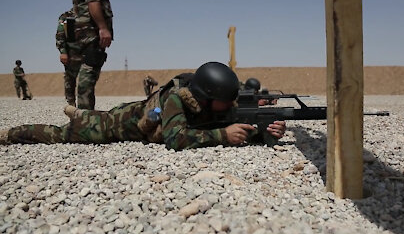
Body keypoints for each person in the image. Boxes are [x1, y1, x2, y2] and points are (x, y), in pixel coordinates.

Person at [0, 62, 286, 151]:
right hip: (117, 124)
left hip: (136, 110)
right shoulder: (177, 99)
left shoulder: (213, 104)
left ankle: (79, 113)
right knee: (62, 133)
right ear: (205, 96)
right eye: (226, 101)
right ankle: (10, 134)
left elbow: (233, 124)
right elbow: (177, 140)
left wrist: (265, 130)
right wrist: (223, 136)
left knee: (89, 116)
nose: (230, 106)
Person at [72, 0, 114, 109]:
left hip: (86, 30)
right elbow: (93, 1)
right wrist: (102, 27)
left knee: (90, 67)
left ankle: (85, 113)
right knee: (90, 68)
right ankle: (84, 115)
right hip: (92, 30)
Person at [56, 9, 83, 106]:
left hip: (87, 51)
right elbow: (60, 34)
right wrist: (63, 52)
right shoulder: (67, 15)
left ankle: (85, 107)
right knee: (70, 79)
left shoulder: (90, 13)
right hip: (72, 53)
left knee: (86, 80)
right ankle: (71, 105)